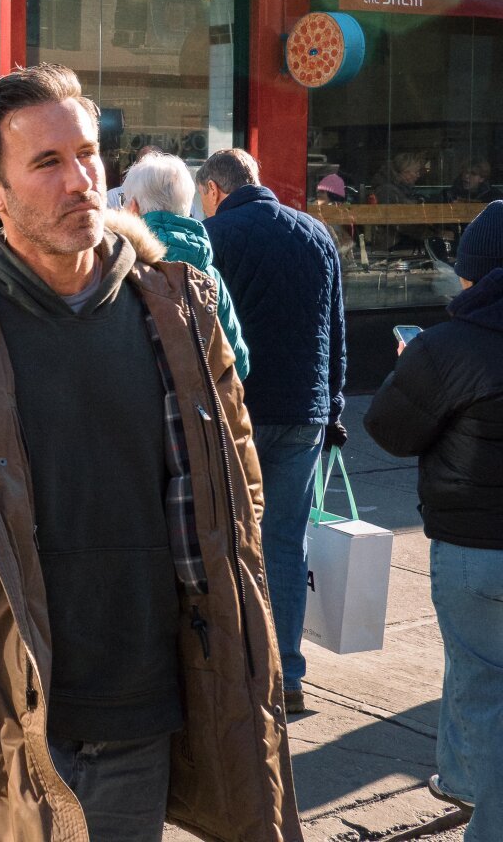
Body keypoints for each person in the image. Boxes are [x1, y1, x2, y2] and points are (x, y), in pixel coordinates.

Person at [0, 64, 298, 841]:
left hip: (142, 711)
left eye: (87, 155)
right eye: (47, 163)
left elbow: (237, 476)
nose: (80, 180)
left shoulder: (178, 311)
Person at [363, 202, 503, 839]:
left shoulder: (449, 345)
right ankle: (470, 787)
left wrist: (408, 368)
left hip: (473, 546)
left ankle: (480, 803)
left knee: (480, 680)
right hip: (473, 543)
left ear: (474, 274)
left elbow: (390, 431)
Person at [198, 147, 346, 714]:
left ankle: (238, 673)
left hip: (244, 411)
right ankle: (287, 675)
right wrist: (333, 409)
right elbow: (335, 329)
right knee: (286, 542)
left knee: (231, 539)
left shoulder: (217, 236)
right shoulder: (315, 234)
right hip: (305, 413)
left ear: (214, 189)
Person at [122, 152, 250, 380]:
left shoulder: (119, 266)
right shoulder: (208, 273)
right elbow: (238, 362)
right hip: (199, 413)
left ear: (132, 207)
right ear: (187, 207)